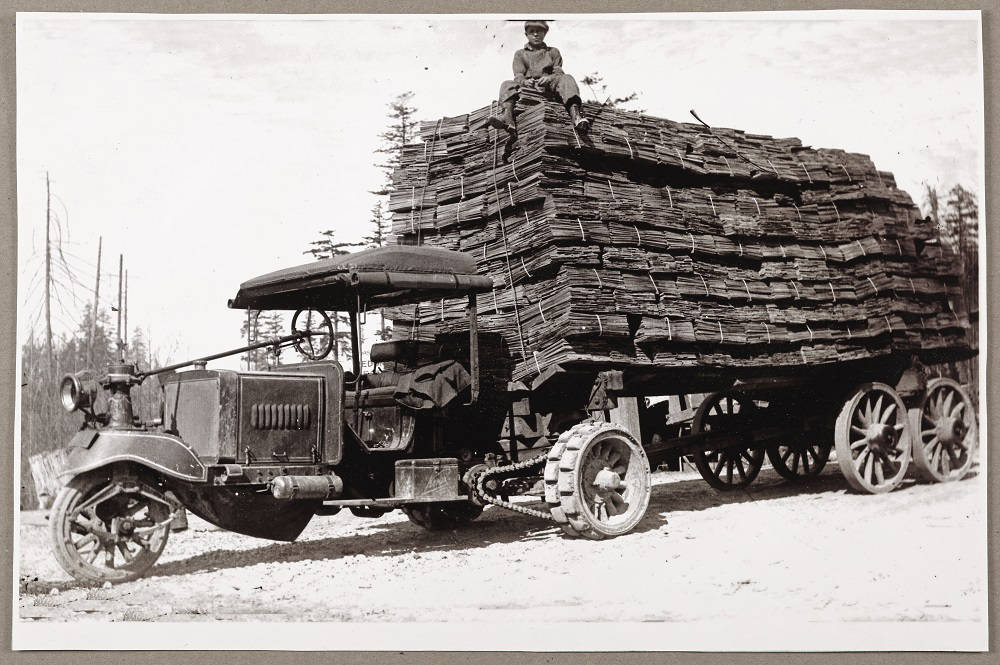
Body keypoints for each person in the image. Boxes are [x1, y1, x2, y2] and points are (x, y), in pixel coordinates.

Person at [488, 20, 590, 138]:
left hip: (550, 87)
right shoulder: (520, 54)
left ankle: (576, 115)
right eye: (532, 31)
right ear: (526, 35)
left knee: (567, 78)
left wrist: (549, 78)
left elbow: (558, 71)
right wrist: (525, 81)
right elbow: (518, 75)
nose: (536, 34)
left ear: (544, 33)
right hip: (528, 87)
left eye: (539, 31)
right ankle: (508, 118)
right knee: (506, 84)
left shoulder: (553, 52)